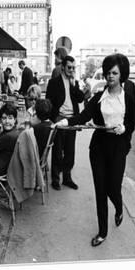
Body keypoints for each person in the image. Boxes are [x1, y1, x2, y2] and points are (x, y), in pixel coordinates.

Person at [55, 53, 135, 247]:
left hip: (118, 148)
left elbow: (132, 122)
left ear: (122, 74)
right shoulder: (100, 97)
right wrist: (64, 122)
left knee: (113, 189)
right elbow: (83, 116)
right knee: (101, 190)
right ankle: (102, 232)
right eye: (108, 72)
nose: (110, 76)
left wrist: (124, 128)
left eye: (115, 73)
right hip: (99, 147)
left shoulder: (128, 98)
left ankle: (119, 208)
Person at [45, 55, 84, 190]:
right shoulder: (54, 82)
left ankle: (67, 178)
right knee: (57, 150)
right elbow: (48, 103)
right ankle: (55, 179)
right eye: (69, 67)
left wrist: (74, 85)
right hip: (59, 119)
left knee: (70, 151)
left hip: (72, 120)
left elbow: (80, 99)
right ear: (63, 67)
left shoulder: (75, 82)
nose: (72, 70)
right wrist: (52, 120)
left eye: (74, 68)